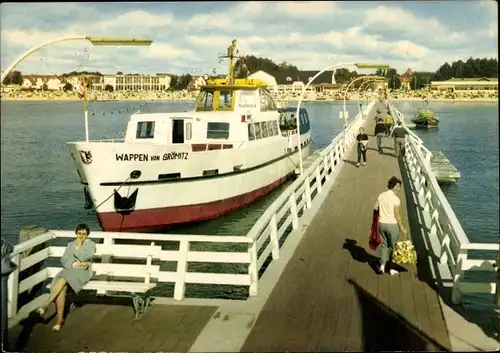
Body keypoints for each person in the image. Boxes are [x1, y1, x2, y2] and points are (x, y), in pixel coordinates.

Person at [36, 223, 96, 331]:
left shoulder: (90, 244)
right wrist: (73, 263)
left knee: (63, 280)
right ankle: (60, 320)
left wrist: (80, 246)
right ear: (76, 233)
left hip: (82, 272)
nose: (81, 236)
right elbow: (64, 259)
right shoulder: (70, 245)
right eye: (79, 233)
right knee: (62, 287)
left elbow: (86, 256)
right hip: (69, 270)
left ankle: (46, 304)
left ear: (87, 235)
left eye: (84, 234)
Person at [373, 177, 408, 275]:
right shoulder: (396, 199)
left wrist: (382, 211)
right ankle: (392, 268)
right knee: (393, 247)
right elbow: (397, 215)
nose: (399, 189)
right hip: (392, 225)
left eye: (399, 187)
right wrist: (402, 228)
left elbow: (375, 207)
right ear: (392, 186)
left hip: (381, 224)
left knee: (384, 245)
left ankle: (382, 266)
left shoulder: (381, 195)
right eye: (397, 187)